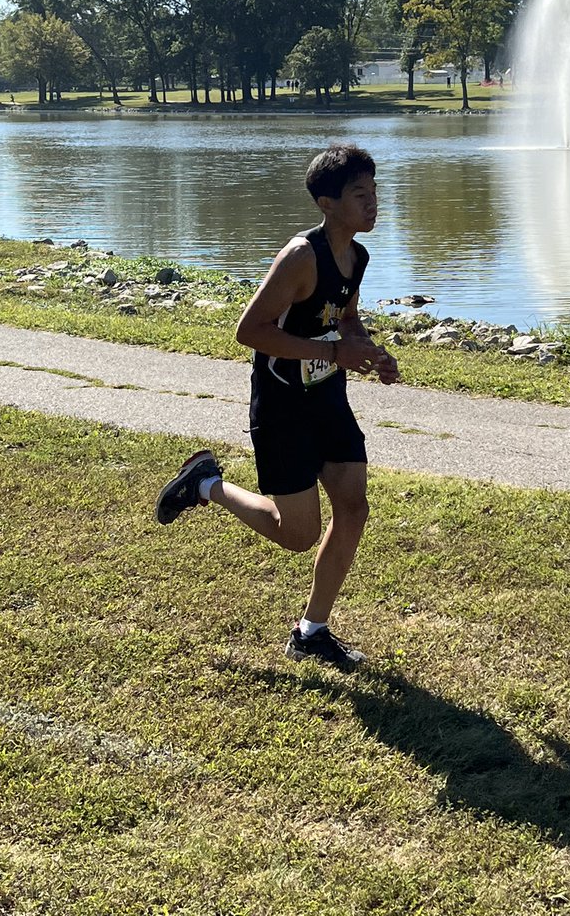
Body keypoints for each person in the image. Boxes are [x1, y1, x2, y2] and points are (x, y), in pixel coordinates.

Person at [154, 144, 399, 669]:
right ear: (326, 202)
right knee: (299, 535)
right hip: (284, 405)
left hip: (328, 396)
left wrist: (369, 351)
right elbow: (250, 331)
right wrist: (336, 350)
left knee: (353, 507)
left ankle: (312, 631)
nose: (374, 203)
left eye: (375, 191)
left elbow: (345, 315)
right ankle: (204, 485)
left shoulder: (356, 255)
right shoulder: (301, 257)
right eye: (361, 194)